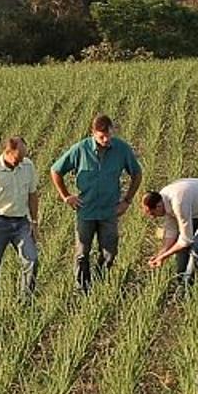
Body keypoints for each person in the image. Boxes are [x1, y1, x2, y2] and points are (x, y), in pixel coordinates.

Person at [50, 115, 142, 293]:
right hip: (86, 210)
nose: (106, 140)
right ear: (93, 133)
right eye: (101, 136)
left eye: (109, 135)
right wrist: (66, 196)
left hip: (109, 210)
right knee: (82, 252)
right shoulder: (80, 149)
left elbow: (137, 174)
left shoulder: (121, 149)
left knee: (109, 252)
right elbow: (56, 170)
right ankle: (81, 287)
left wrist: (127, 201)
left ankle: (100, 283)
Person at [0, 136, 39, 299]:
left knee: (31, 260)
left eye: (24, 155)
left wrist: (34, 222)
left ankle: (26, 301)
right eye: (19, 157)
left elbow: (32, 195)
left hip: (21, 223)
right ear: (7, 152)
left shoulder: (27, 166)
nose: (22, 160)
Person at [141, 177, 198, 285]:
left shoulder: (178, 203)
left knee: (197, 246)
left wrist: (163, 257)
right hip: (197, 208)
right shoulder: (162, 199)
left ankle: (189, 283)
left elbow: (185, 240)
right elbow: (171, 232)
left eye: (153, 213)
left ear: (158, 206)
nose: (153, 217)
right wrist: (161, 253)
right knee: (180, 245)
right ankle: (180, 278)